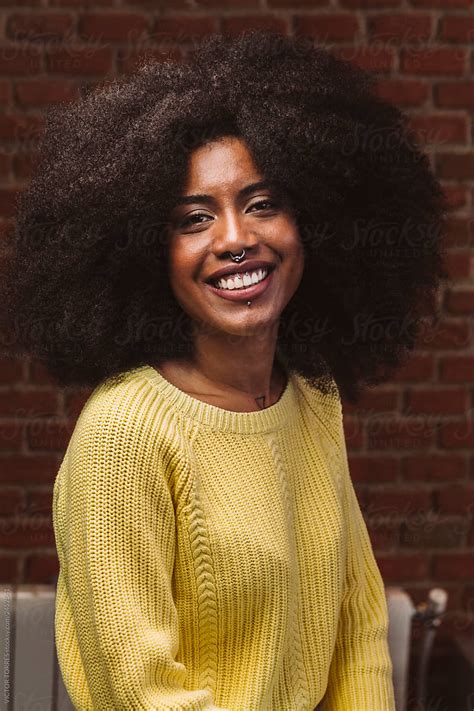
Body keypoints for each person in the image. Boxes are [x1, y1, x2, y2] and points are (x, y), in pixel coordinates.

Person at [0, 29, 448, 710]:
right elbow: (142, 693)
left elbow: (356, 631)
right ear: (148, 253)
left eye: (263, 203)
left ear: (314, 221)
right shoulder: (124, 435)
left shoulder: (312, 399)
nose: (236, 239)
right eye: (193, 219)